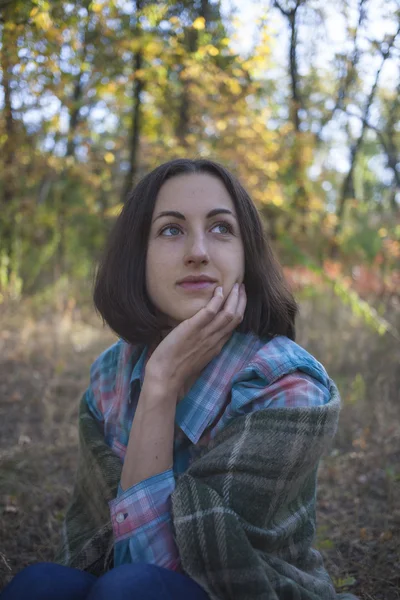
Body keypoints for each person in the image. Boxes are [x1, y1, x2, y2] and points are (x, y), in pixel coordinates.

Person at [0, 158, 358, 600]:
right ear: (138, 255)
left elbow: (199, 571)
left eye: (222, 229)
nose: (199, 252)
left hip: (257, 589)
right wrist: (156, 383)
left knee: (129, 590)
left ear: (246, 256)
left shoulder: (287, 386)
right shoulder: (110, 376)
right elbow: (105, 547)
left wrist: (163, 383)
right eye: (171, 229)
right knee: (40, 584)